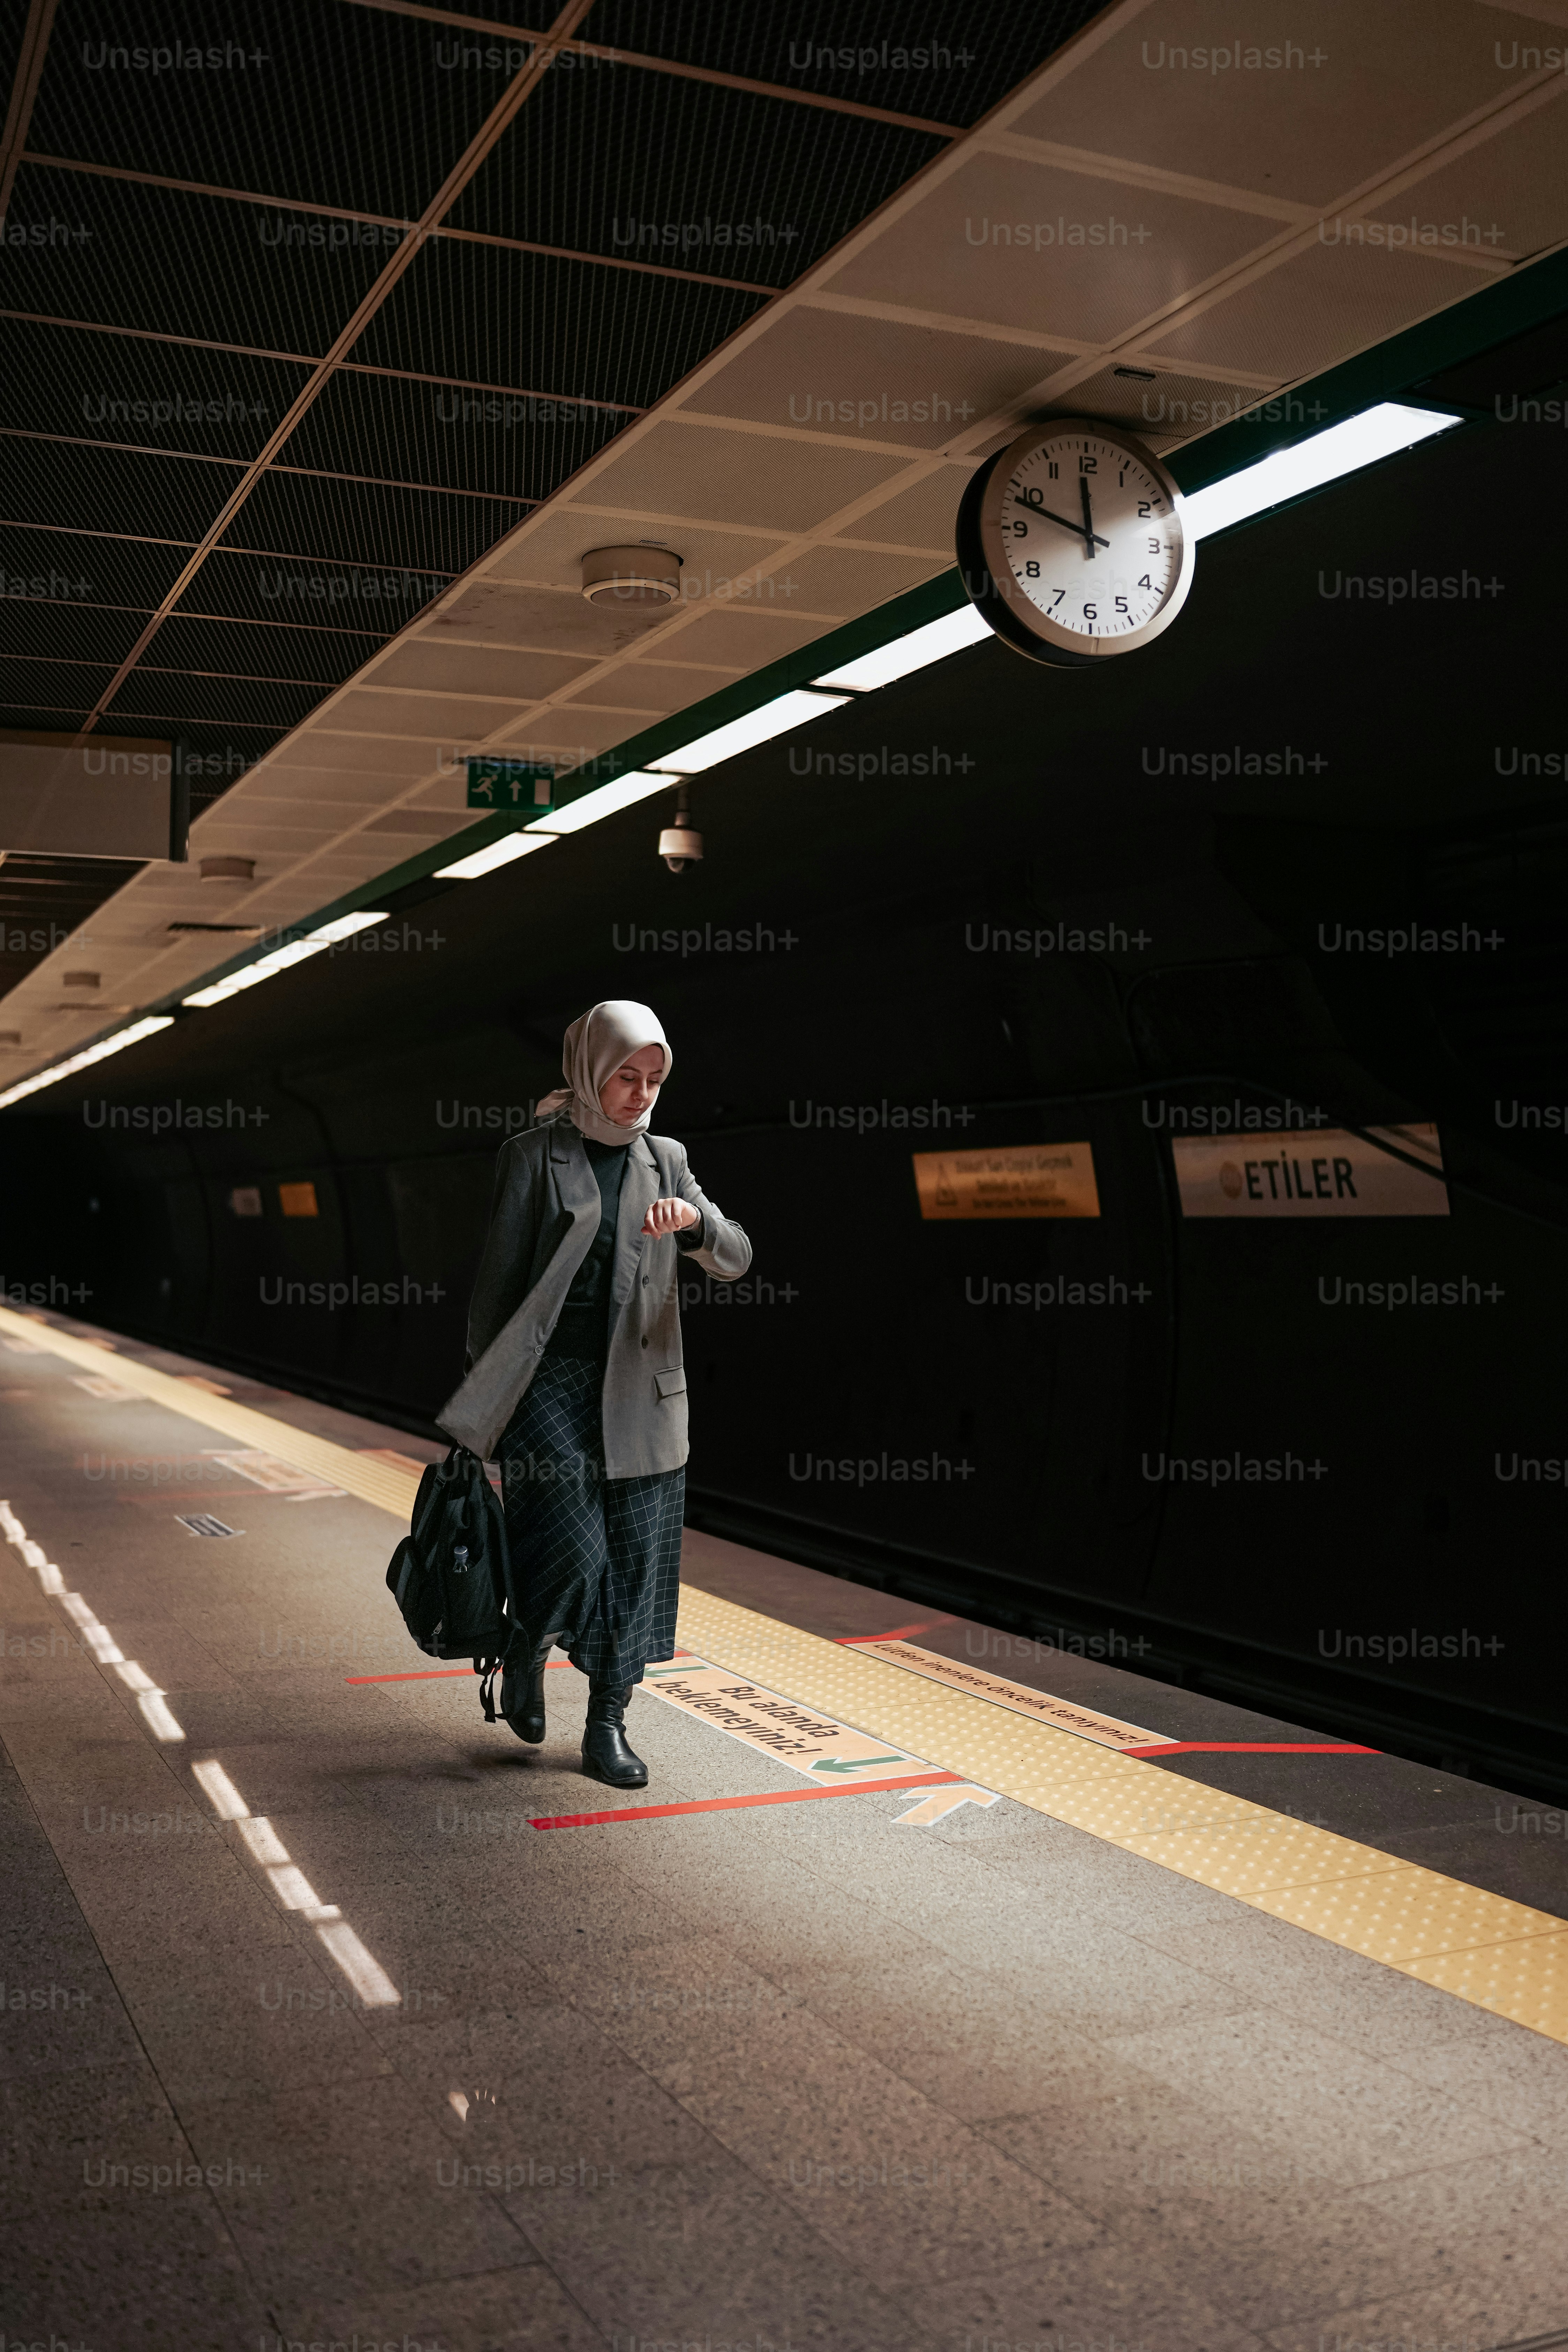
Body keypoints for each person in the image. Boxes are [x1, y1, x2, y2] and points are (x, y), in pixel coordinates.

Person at [437, 1001, 751, 1789]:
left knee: (636, 1566)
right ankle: (525, 1649)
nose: (640, 1094)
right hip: (549, 1385)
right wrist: (491, 1410)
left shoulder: (668, 1158)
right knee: (571, 1551)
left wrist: (694, 1224)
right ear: (588, 1070)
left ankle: (607, 1724)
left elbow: (737, 1256)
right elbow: (496, 1292)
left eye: (653, 1079)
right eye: (625, 1077)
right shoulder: (532, 1156)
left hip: (644, 1394)